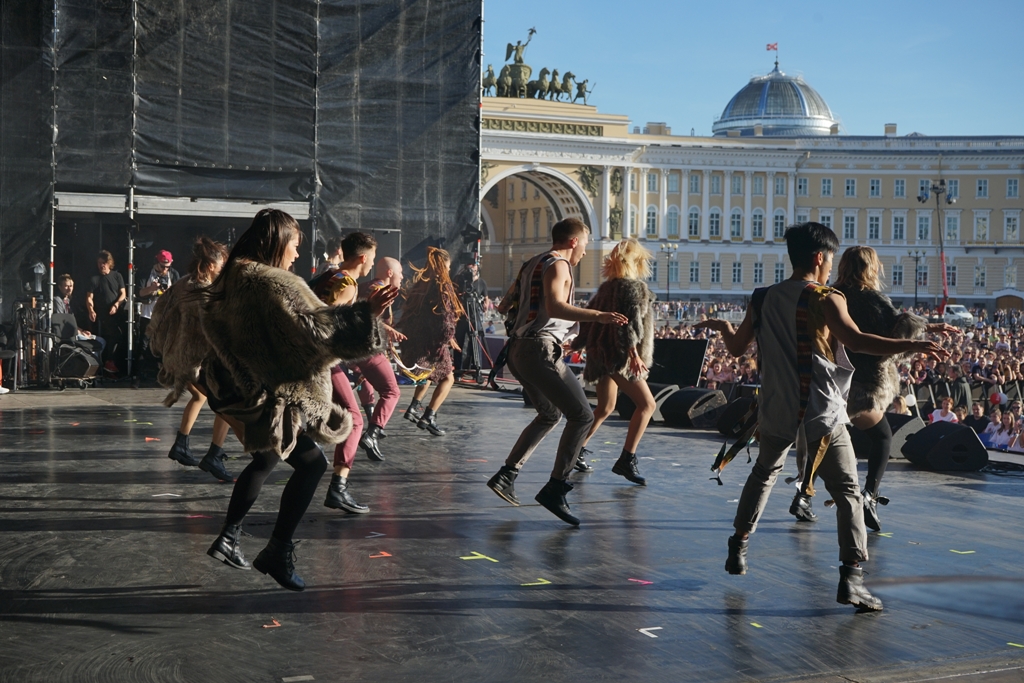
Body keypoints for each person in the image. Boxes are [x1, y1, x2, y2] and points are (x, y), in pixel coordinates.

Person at [697, 222, 946, 612]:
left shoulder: (762, 297)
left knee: (763, 474)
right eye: (829, 259)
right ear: (819, 257)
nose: (831, 267)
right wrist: (911, 343)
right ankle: (852, 579)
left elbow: (735, 346)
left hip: (775, 408)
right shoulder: (827, 298)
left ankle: (739, 548)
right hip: (821, 411)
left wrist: (722, 327)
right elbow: (857, 340)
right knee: (848, 493)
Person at [200, 209, 398, 591]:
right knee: (310, 464)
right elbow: (319, 331)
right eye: (293, 246)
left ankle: (229, 537)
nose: (295, 256)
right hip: (266, 394)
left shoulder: (234, 277)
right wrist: (368, 314)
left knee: (269, 457)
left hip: (236, 388)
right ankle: (276, 549)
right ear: (277, 243)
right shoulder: (274, 284)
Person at [486, 217, 627, 526]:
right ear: (573, 241)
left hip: (519, 350)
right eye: (586, 245)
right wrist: (598, 316)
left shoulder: (530, 264)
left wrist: (553, 331)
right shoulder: (559, 264)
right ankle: (556, 487)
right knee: (583, 416)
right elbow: (555, 307)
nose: (586, 253)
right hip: (538, 350)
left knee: (549, 414)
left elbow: (504, 305)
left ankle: (506, 475)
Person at [823, 246, 942, 531]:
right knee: (883, 438)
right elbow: (894, 335)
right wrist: (920, 336)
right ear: (870, 268)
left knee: (821, 440)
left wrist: (931, 327)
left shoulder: (830, 295)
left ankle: (803, 493)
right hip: (863, 385)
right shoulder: (873, 300)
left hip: (829, 381)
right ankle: (870, 496)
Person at [307, 231, 385, 514]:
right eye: (372, 259)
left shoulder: (329, 277)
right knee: (354, 419)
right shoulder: (347, 284)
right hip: (323, 361)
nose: (372, 265)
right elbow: (330, 325)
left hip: (320, 359)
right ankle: (338, 488)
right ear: (363, 258)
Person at [570, 238, 656, 485]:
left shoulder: (607, 288)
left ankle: (576, 450)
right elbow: (627, 326)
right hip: (618, 358)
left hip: (601, 355)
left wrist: (576, 344)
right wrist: (634, 355)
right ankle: (626, 459)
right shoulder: (633, 288)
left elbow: (591, 320)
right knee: (647, 405)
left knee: (606, 408)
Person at [148, 237, 235, 480]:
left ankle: (181, 444)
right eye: (220, 265)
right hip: (192, 360)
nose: (222, 270)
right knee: (227, 403)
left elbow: (160, 311)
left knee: (200, 396)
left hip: (178, 355)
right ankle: (214, 455)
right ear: (209, 265)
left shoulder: (184, 283)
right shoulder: (202, 291)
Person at [395, 247, 464, 436]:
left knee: (428, 374)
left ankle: (414, 407)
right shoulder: (442, 287)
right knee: (448, 378)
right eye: (448, 269)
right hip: (434, 343)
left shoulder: (421, 285)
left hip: (419, 340)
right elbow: (445, 319)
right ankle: (429, 415)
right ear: (444, 267)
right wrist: (448, 339)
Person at [353, 256, 405, 456]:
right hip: (368, 347)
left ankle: (371, 416)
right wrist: (388, 329)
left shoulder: (365, 286)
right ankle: (373, 433)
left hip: (354, 349)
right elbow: (366, 316)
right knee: (392, 392)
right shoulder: (379, 290)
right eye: (399, 273)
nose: (401, 278)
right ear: (390, 273)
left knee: (361, 375)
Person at [86, 250, 126, 374]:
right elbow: (89, 297)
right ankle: (109, 361)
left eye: (104, 263)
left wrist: (116, 304)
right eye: (99, 263)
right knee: (113, 335)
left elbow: (123, 293)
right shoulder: (95, 279)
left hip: (118, 311)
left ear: (109, 263)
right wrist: (91, 310)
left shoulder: (117, 276)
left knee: (123, 335)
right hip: (104, 313)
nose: (101, 265)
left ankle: (115, 363)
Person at [52, 274, 105, 359]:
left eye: (71, 286)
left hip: (76, 331)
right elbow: (63, 321)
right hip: (67, 335)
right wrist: (79, 332)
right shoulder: (57, 300)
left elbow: (72, 322)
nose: (69, 289)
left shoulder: (71, 301)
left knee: (101, 341)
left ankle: (93, 366)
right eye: (66, 286)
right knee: (97, 343)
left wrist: (82, 330)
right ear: (60, 287)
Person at [453, 262, 489, 382]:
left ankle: (476, 369)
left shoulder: (481, 282)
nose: (471, 269)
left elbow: (486, 297)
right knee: (459, 343)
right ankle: (458, 370)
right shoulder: (459, 280)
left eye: (473, 266)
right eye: (469, 266)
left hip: (475, 315)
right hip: (462, 316)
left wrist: (485, 303)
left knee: (476, 341)